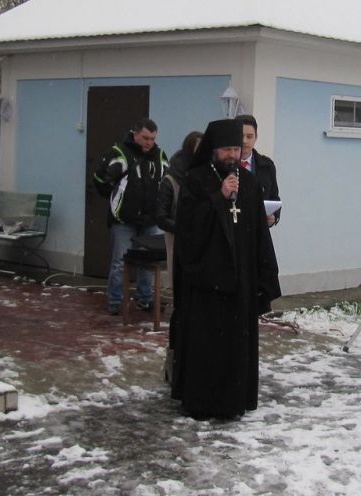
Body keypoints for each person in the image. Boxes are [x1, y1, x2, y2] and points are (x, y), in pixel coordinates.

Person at [172, 118, 281, 420]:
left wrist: (265, 275)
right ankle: (202, 402)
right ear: (214, 150)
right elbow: (188, 229)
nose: (233, 155)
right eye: (227, 150)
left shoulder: (250, 183)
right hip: (207, 282)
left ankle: (234, 402)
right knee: (206, 345)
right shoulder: (196, 180)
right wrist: (218, 198)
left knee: (236, 344)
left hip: (240, 282)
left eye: (236, 149)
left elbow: (259, 233)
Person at [93, 117, 168, 315]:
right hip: (123, 220)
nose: (149, 142)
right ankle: (115, 302)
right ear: (135, 135)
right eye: (145, 138)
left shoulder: (160, 155)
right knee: (120, 261)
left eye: (152, 139)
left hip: (150, 219)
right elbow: (99, 179)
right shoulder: (119, 153)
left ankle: (145, 300)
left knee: (149, 262)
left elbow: (166, 182)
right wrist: (117, 201)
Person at [155, 129, 203, 382]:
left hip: (202, 245)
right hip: (178, 242)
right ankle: (173, 362)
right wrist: (184, 227)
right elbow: (161, 216)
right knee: (180, 302)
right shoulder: (172, 179)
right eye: (197, 148)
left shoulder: (206, 175)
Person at [237, 113, 281, 227]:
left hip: (257, 230)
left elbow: (274, 198)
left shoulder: (267, 166)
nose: (244, 141)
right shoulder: (223, 164)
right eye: (240, 136)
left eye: (249, 136)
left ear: (256, 137)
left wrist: (274, 216)